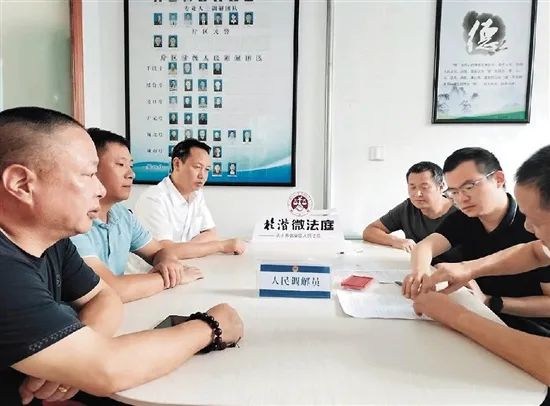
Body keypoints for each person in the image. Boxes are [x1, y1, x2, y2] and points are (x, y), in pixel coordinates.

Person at [0, 107, 244, 405]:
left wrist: (76, 355)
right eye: (89, 174)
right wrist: (212, 326)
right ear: (21, 184)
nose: (99, 189)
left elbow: (105, 297)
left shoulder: (53, 242)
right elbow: (108, 370)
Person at [414, 145, 550, 387]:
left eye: (536, 221)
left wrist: (456, 314)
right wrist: (467, 268)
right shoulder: (464, 220)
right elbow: (534, 252)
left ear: (498, 179)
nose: (528, 227)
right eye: (454, 192)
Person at [71, 128, 204, 303]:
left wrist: (167, 263)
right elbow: (108, 289)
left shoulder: (122, 215)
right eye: (121, 165)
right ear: (91, 169)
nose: (131, 174)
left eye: (131, 166)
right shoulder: (73, 223)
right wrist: (169, 278)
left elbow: (159, 251)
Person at [130, 139, 245, 273]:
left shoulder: (196, 194)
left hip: (182, 270)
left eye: (207, 169)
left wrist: (182, 250)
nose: (202, 175)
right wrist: (222, 246)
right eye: (197, 167)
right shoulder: (154, 198)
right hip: (146, 276)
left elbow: (211, 233)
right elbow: (164, 251)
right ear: (177, 164)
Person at [363, 162, 457, 256]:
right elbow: (370, 231)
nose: (417, 194)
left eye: (424, 187)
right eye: (412, 187)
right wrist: (396, 241)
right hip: (417, 264)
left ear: (441, 186)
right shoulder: (407, 207)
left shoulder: (460, 211)